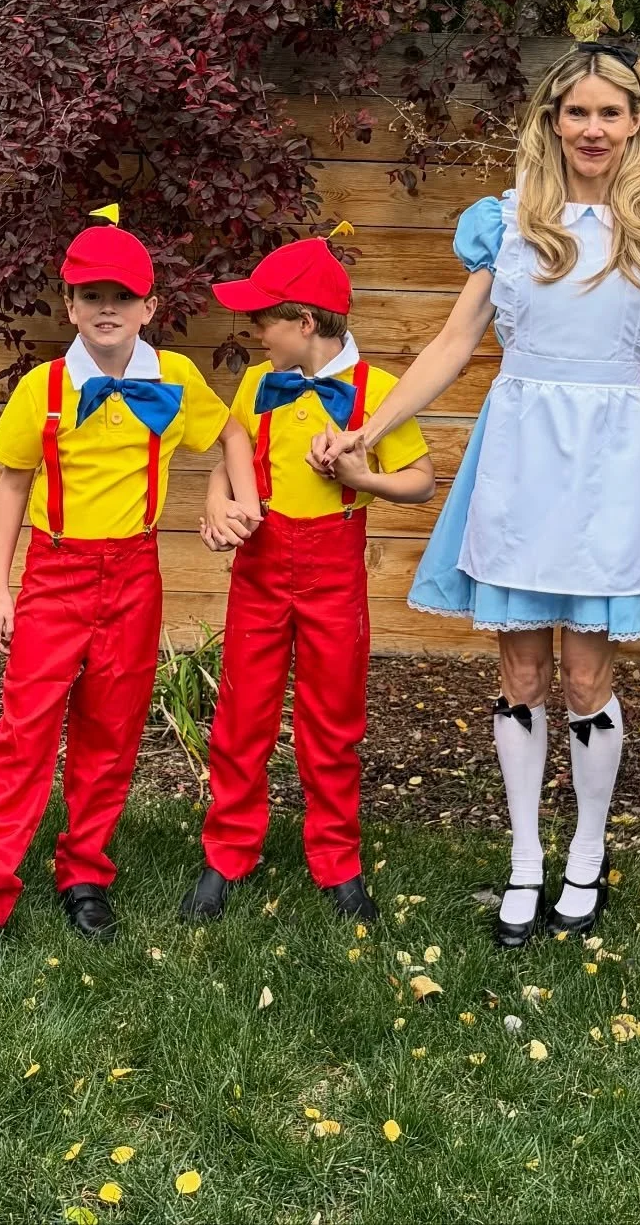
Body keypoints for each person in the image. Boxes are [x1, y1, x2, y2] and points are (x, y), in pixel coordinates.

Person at [318, 43, 640, 949]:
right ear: (552, 121)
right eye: (576, 111)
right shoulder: (505, 223)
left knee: (586, 676)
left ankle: (587, 852)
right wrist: (370, 429)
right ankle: (524, 857)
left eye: (610, 113)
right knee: (521, 674)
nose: (592, 128)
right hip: (519, 456)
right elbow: (453, 344)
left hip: (614, 459)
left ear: (636, 124)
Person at [0, 211, 259, 980]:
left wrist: (234, 502)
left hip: (134, 575)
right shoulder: (43, 388)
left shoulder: (175, 380)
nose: (107, 307)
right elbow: (11, 483)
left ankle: (84, 872)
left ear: (149, 306)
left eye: (124, 294)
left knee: (111, 733)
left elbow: (236, 434)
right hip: (56, 573)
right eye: (91, 294)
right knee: (24, 733)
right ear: (71, 305)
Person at [179, 237, 436, 923]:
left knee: (332, 721)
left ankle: (337, 860)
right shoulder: (260, 384)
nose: (254, 332)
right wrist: (217, 502)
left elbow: (420, 479)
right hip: (261, 570)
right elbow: (230, 457)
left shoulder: (378, 393)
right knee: (242, 716)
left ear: (307, 324)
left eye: (264, 319)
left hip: (333, 577)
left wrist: (362, 477)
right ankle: (228, 851)